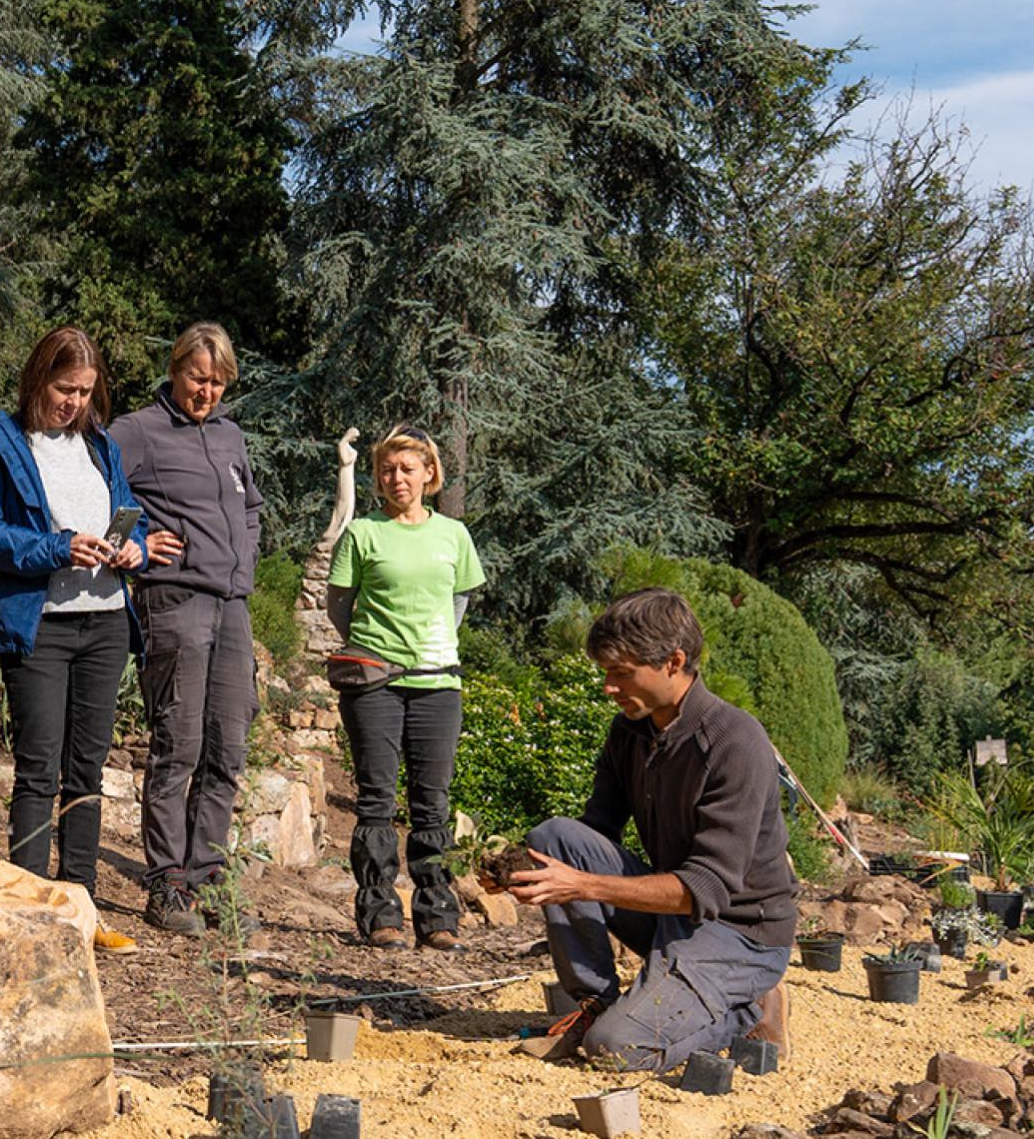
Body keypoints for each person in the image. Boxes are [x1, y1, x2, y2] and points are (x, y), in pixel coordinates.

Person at [507, 588, 797, 1071]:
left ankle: (749, 1006)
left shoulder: (736, 741)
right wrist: (524, 870)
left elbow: (705, 888)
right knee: (552, 841)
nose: (608, 686)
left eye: (621, 673)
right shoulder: (631, 732)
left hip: (739, 935)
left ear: (673, 661)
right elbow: (593, 833)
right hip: (672, 917)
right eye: (606, 672)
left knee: (615, 1048)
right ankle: (594, 1003)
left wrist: (579, 885)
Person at [0, 327, 156, 955]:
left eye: (85, 392)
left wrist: (135, 546)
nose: (74, 403)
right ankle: (26, 905)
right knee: (39, 768)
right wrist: (56, 547)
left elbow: (133, 515)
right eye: (64, 389)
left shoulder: (101, 448)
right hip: (39, 622)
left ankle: (80, 905)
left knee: (86, 771)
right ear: (38, 378)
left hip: (104, 621)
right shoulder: (1, 444)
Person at [106, 323, 262, 936]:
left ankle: (210, 880)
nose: (208, 392)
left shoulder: (229, 435)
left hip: (234, 605)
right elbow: (95, 495)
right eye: (199, 378)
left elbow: (250, 507)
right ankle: (167, 882)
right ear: (175, 370)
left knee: (228, 748)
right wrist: (135, 545)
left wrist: (244, 559)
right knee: (181, 744)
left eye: (219, 382)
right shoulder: (138, 431)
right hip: (176, 601)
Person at [326, 429, 483, 949]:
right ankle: (380, 916)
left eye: (408, 469)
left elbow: (458, 601)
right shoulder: (363, 534)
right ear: (379, 477)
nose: (398, 479)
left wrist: (430, 645)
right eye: (389, 470)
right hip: (374, 683)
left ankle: (438, 918)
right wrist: (377, 647)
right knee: (375, 799)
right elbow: (339, 606)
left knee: (431, 804)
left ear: (430, 475)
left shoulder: (454, 536)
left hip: (438, 684)